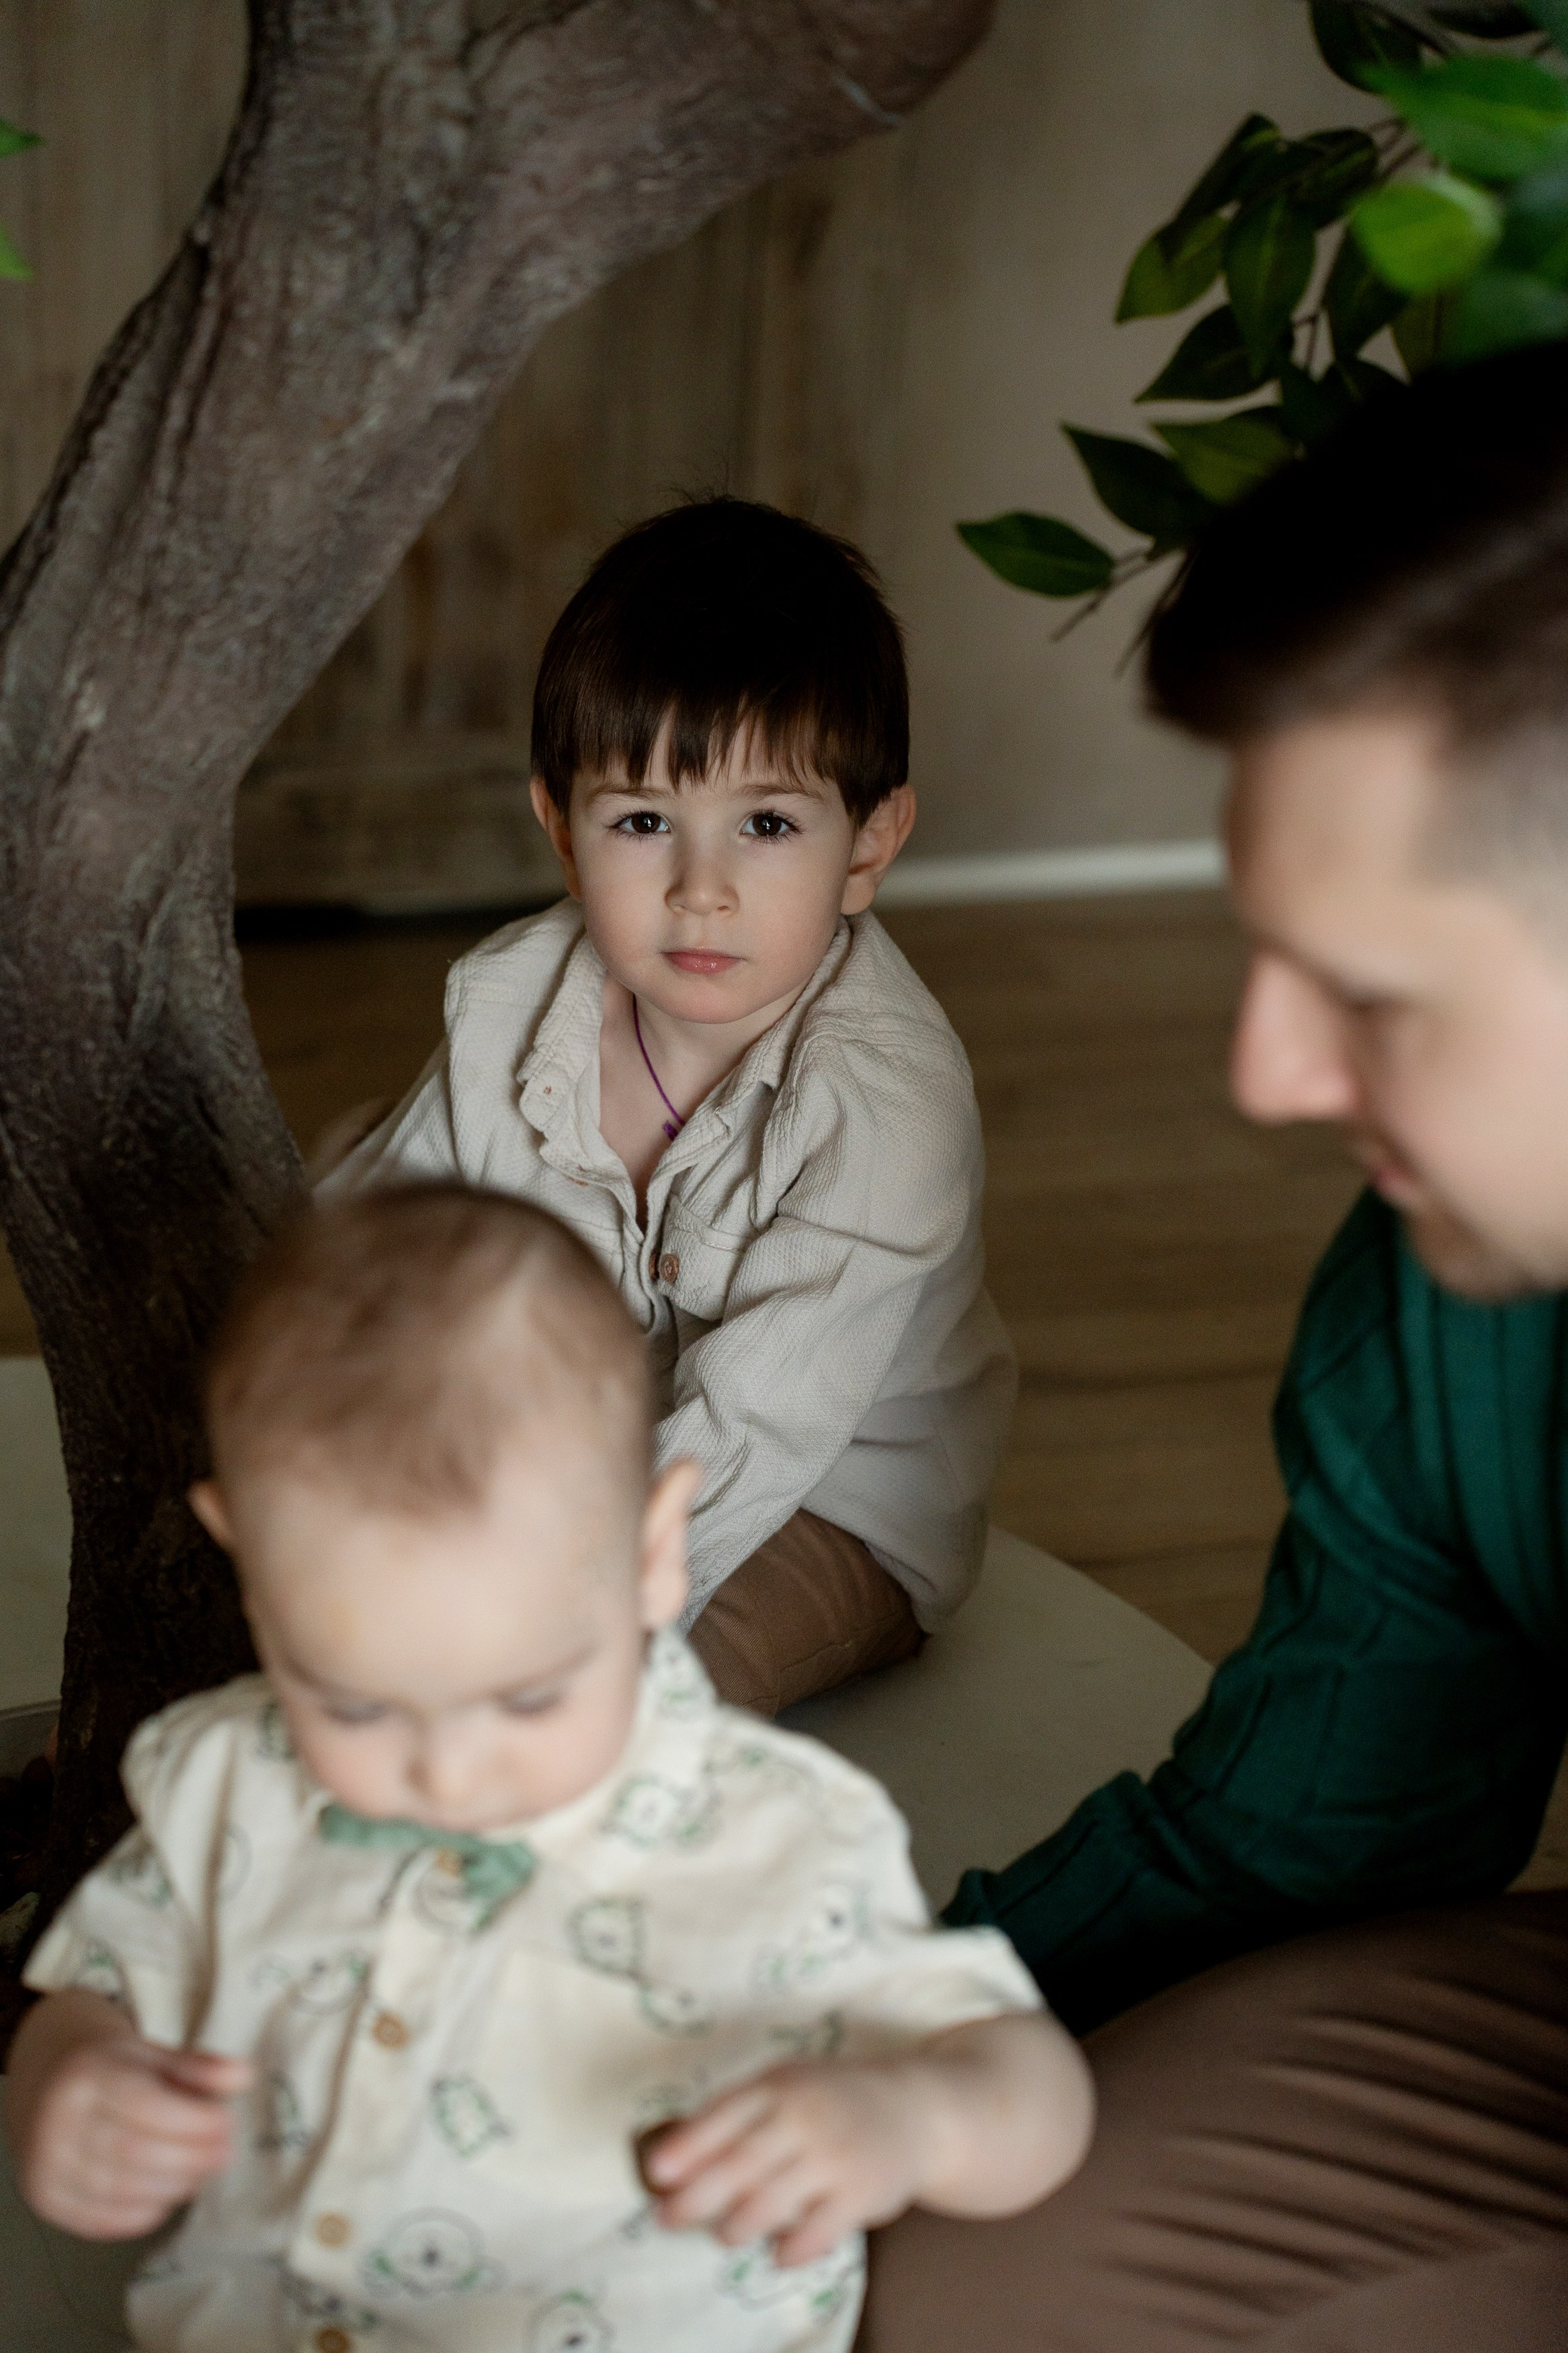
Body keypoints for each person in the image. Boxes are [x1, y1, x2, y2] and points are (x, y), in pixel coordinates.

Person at [862, 343, 1568, 2345]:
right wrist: (848, 2025)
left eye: (1366, 990)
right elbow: (1309, 1827)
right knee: (950, 2248)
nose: (1261, 1071)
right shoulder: (1439, 1294)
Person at [2, 1187, 1090, 2353]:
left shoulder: (767, 1832)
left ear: (654, 1549)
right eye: (357, 1705)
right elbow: (96, 1989)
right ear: (250, 1567)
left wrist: (907, 2119)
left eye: (528, 1696)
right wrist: (74, 2089)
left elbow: (1030, 2089)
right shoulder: (229, 1780)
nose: (451, 1774)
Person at [323, 497, 1014, 1720]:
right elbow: (373, 1250)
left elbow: (755, 1431)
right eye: (643, 822)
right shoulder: (507, 1005)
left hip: (813, 1498)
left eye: (766, 824)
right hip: (574, 1457)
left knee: (648, 1698)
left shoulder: (882, 1102)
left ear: (868, 842)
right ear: (561, 828)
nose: (701, 891)